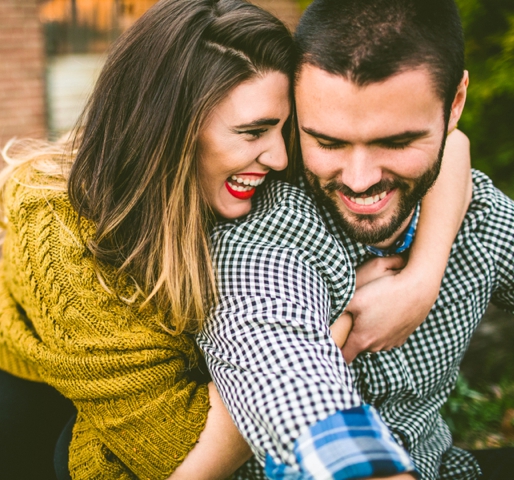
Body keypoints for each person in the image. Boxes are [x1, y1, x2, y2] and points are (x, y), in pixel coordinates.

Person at [0, 0, 471, 478]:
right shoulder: (61, 220)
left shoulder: (277, 155)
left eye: (285, 129)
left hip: (199, 370)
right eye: (252, 133)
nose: (280, 158)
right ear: (171, 127)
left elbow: (450, 145)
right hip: (38, 375)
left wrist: (421, 281)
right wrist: (331, 316)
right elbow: (174, 453)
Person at [198, 0, 514, 479]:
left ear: (455, 104)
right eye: (327, 142)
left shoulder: (478, 214)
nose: (360, 180)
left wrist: (423, 278)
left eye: (396, 142)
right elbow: (289, 378)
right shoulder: (267, 234)